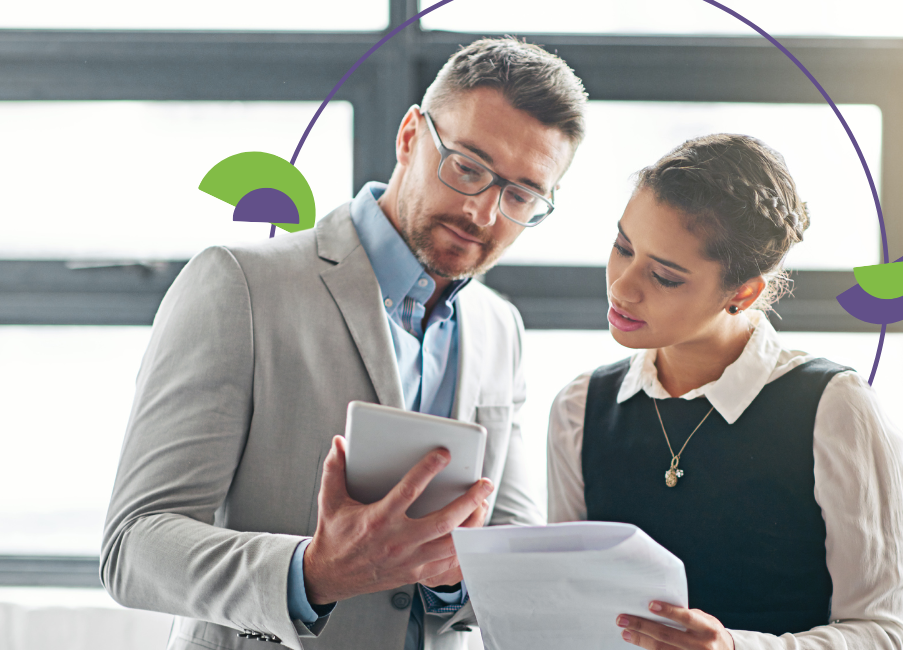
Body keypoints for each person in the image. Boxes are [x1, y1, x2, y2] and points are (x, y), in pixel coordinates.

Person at [101, 38, 587, 650]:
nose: (483, 213)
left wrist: (453, 581)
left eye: (520, 195)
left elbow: (506, 550)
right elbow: (134, 547)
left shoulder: (499, 328)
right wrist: (312, 573)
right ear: (411, 135)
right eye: (467, 167)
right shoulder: (240, 284)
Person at [548, 134, 903, 650]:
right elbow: (567, 611)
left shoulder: (835, 406)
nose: (622, 287)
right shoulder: (579, 407)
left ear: (743, 293)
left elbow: (883, 634)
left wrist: (737, 649)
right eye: (622, 247)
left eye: (664, 276)